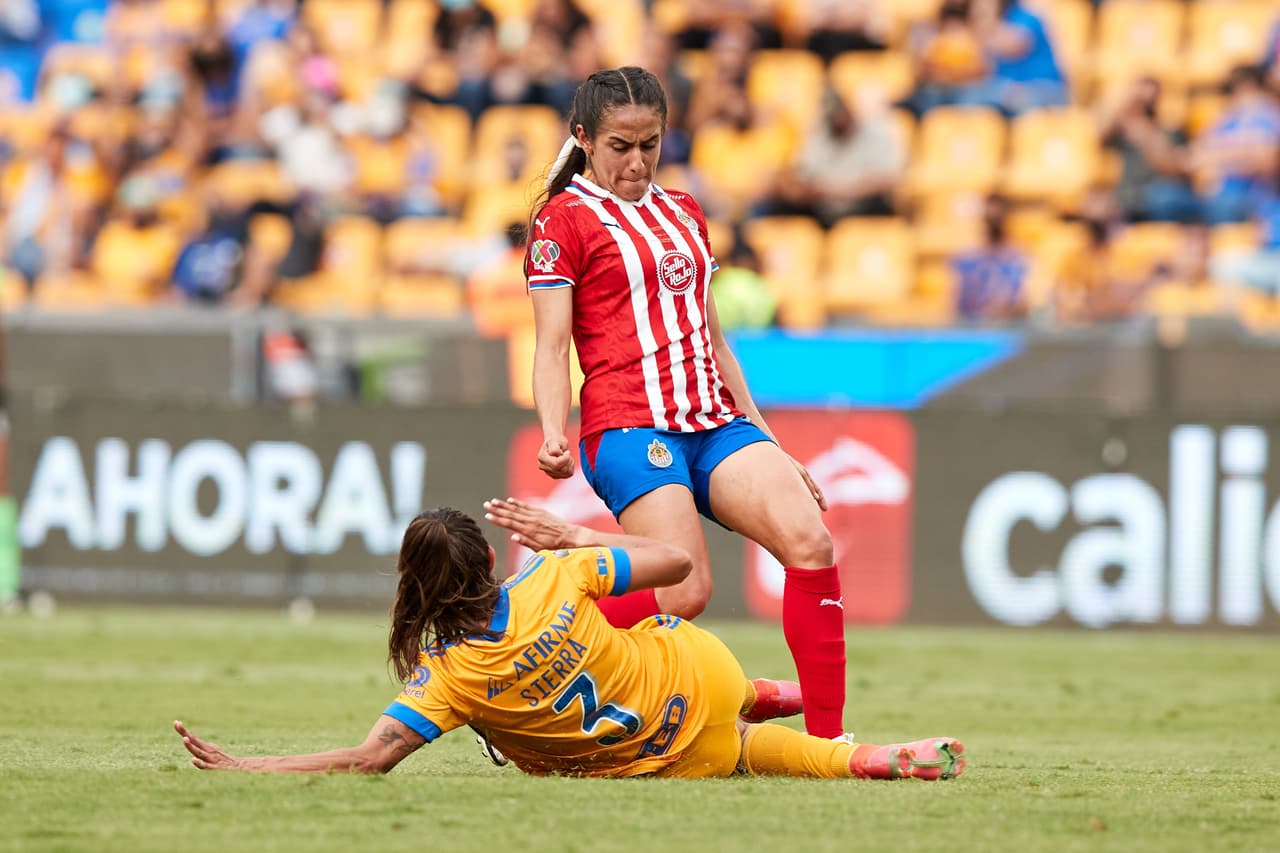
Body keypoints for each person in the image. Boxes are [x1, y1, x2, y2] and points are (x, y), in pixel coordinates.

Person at [173, 499, 966, 781]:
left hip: (664, 755)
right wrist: (566, 536)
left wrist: (250, 763)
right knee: (673, 644)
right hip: (697, 677)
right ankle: (785, 700)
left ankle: (860, 758)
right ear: (489, 558)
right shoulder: (553, 576)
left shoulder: (442, 681)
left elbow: (368, 757)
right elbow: (680, 563)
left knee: (751, 752)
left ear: (411, 589)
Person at [524, 67, 851, 740]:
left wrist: (770, 443)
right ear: (584, 138)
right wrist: (553, 430)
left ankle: (827, 744)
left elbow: (716, 342)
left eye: (651, 144)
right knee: (685, 588)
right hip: (629, 424)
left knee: (811, 542)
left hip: (714, 420)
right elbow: (552, 345)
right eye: (621, 145)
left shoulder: (684, 211)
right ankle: (535, 648)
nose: (638, 161)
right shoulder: (561, 223)